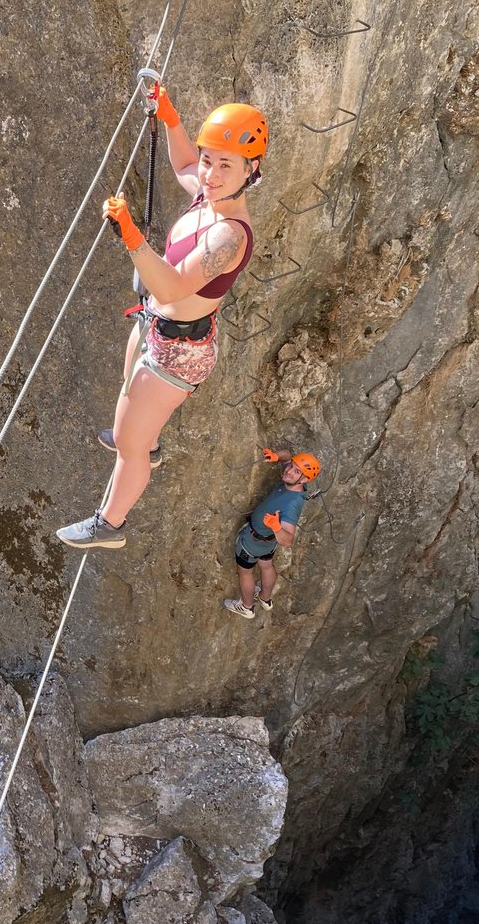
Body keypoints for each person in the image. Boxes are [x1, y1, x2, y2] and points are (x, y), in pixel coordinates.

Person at [57, 87, 268, 550]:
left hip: (178, 353)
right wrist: (172, 119)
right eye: (210, 159)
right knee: (127, 405)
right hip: (157, 329)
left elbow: (170, 286)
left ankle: (109, 525)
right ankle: (141, 439)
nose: (209, 173)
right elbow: (184, 166)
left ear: (252, 172)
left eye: (225, 165)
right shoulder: (208, 197)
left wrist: (131, 236)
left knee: (129, 450)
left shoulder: (229, 236)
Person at [224, 450, 320, 618]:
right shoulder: (292, 483)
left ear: (304, 479)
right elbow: (287, 455)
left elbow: (288, 540)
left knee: (245, 572)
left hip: (252, 542)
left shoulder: (292, 505)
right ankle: (265, 598)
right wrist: (277, 456)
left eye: (297, 471)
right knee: (266, 565)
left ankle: (247, 607)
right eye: (291, 466)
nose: (289, 470)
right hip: (267, 543)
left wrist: (276, 527)